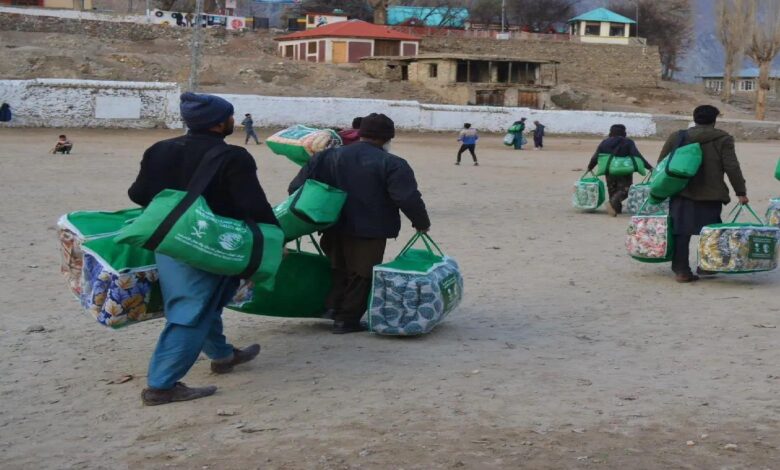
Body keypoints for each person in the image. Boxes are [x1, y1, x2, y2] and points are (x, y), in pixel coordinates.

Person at [128, 92, 279, 405]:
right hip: (212, 245)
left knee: (207, 300)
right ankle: (162, 385)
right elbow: (252, 205)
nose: (233, 122)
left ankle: (223, 355)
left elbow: (138, 193)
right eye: (230, 117)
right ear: (219, 122)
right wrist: (273, 238)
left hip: (170, 240)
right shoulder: (234, 157)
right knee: (191, 310)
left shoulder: (160, 149)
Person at [288, 113, 431, 334]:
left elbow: (295, 188)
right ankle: (347, 320)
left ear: (361, 133)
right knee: (361, 274)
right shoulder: (392, 163)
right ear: (387, 138)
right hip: (370, 229)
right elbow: (406, 197)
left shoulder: (324, 157)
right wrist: (421, 222)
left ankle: (332, 308)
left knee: (337, 267)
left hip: (329, 225)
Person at [658, 105, 748, 283]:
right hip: (711, 194)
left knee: (680, 232)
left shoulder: (677, 136)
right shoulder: (723, 138)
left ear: (695, 118)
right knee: (711, 233)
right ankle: (707, 266)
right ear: (715, 120)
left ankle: (682, 271)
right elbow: (732, 167)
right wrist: (741, 192)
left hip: (681, 191)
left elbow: (662, 163)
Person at [586, 124, 653, 217]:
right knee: (626, 189)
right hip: (625, 170)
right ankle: (612, 203)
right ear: (624, 132)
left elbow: (596, 156)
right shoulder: (628, 142)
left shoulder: (605, 142)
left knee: (612, 189)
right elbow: (637, 155)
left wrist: (590, 167)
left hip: (609, 170)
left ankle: (616, 209)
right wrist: (649, 167)